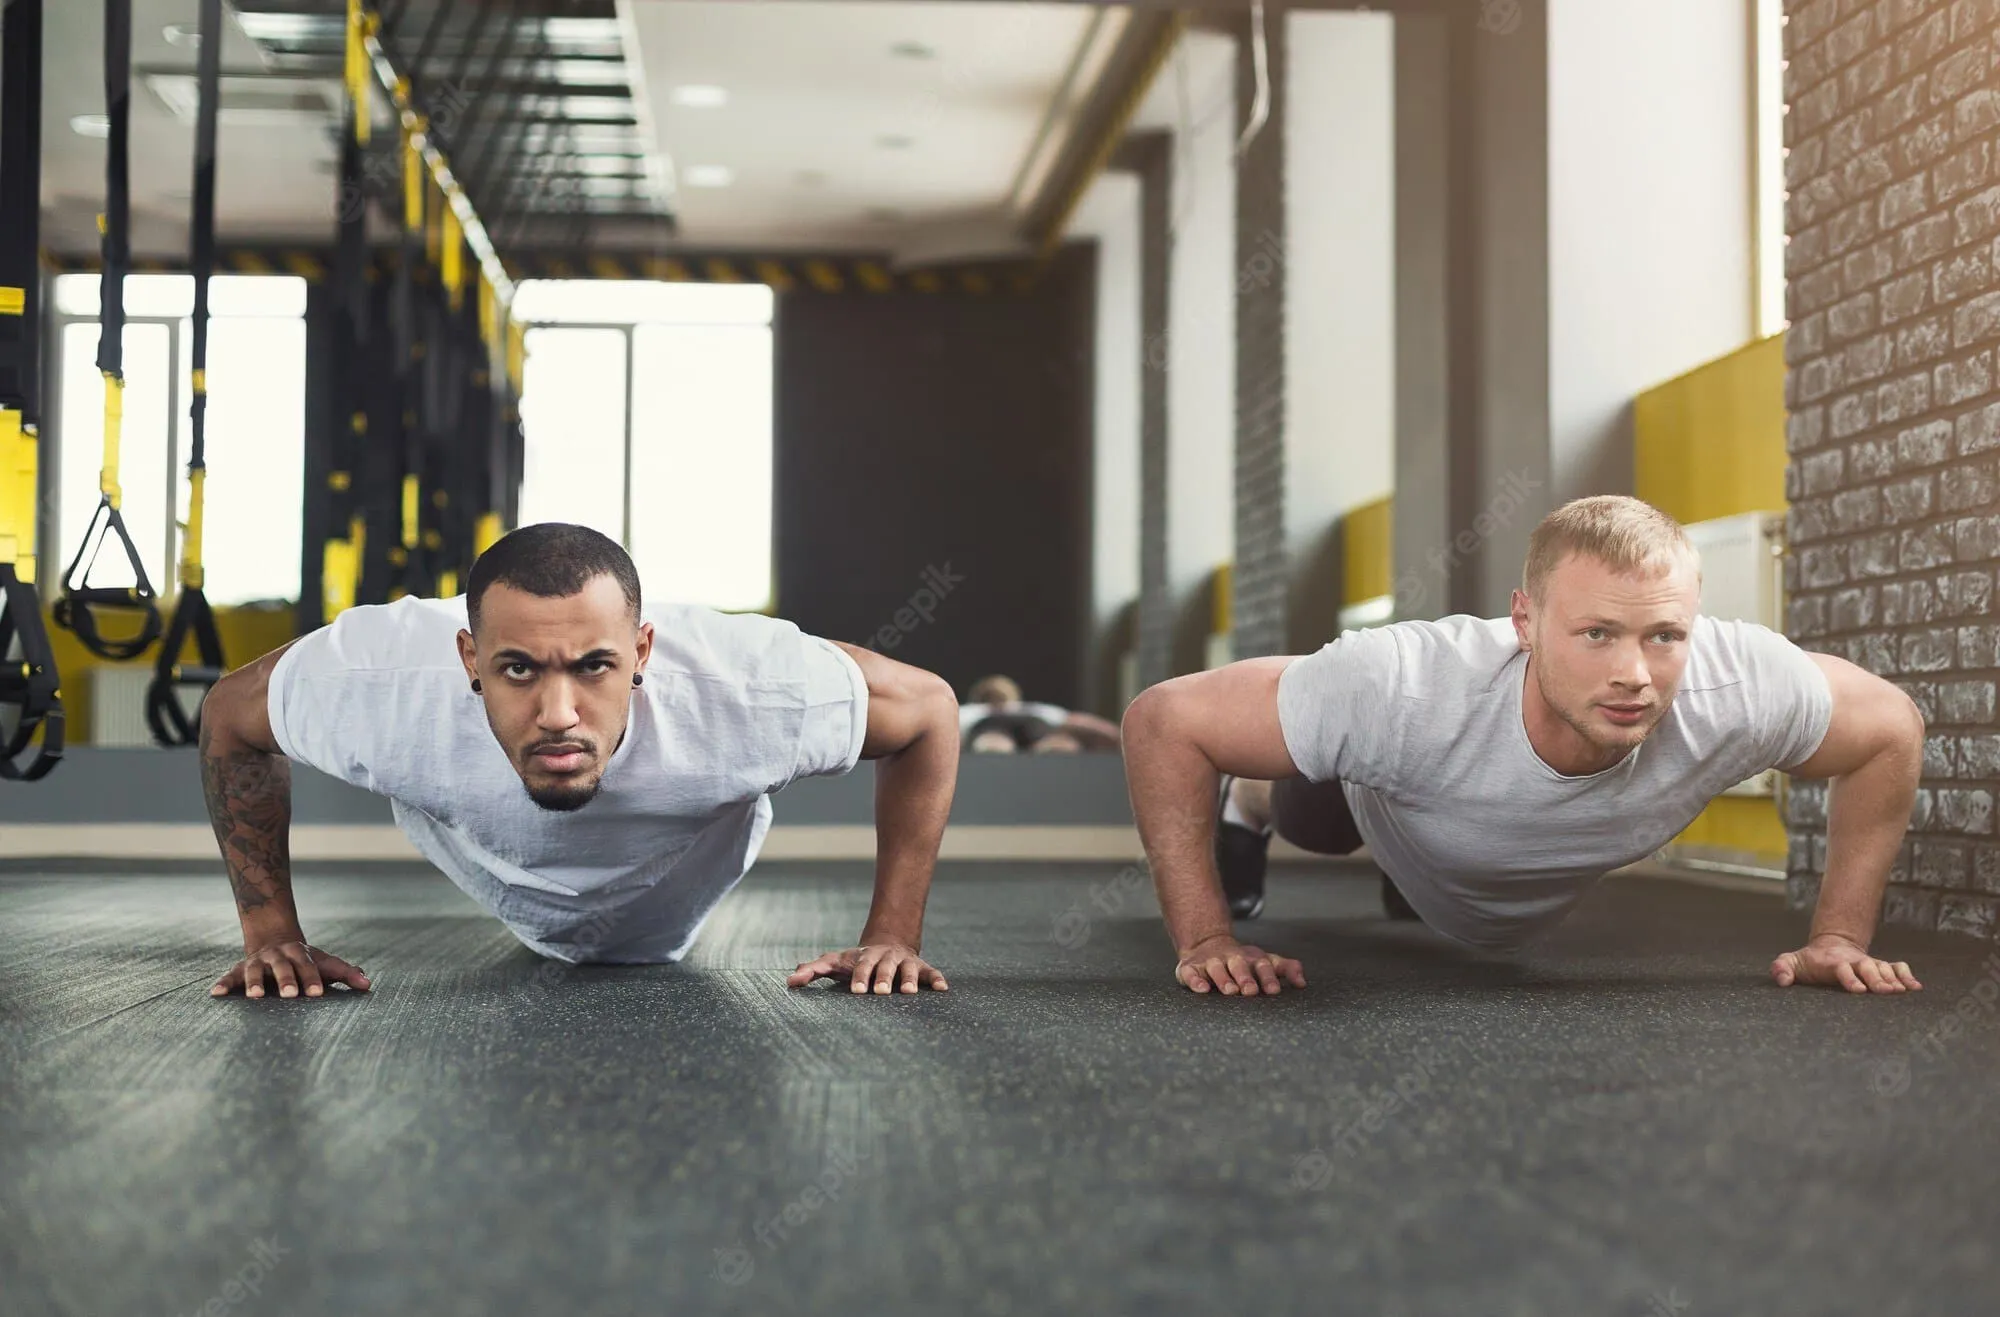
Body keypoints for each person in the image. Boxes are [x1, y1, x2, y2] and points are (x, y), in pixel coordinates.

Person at [1120, 495, 1927, 999]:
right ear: (1524, 621)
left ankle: (1415, 871)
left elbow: (1890, 728)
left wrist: (1839, 938)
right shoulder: (1401, 684)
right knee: (1321, 810)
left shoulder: (1740, 685)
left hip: (1463, 852)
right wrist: (1205, 938)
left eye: (1665, 635)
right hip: (1390, 796)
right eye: (1597, 633)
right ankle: (1254, 805)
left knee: (1416, 839)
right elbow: (1164, 720)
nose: (1634, 674)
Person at [199, 523, 957, 1000]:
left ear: (642, 652)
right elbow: (230, 715)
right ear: (469, 658)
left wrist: (892, 934)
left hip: (681, 877)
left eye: (593, 666)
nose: (557, 713)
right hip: (492, 862)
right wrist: (270, 935)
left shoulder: (753, 686)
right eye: (519, 669)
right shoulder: (377, 681)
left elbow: (928, 711)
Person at [960, 674, 1122, 754]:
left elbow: (1078, 722)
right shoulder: (973, 712)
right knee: (992, 745)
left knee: (1060, 746)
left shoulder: (1031, 709)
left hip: (1035, 728)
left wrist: (1119, 738)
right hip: (988, 729)